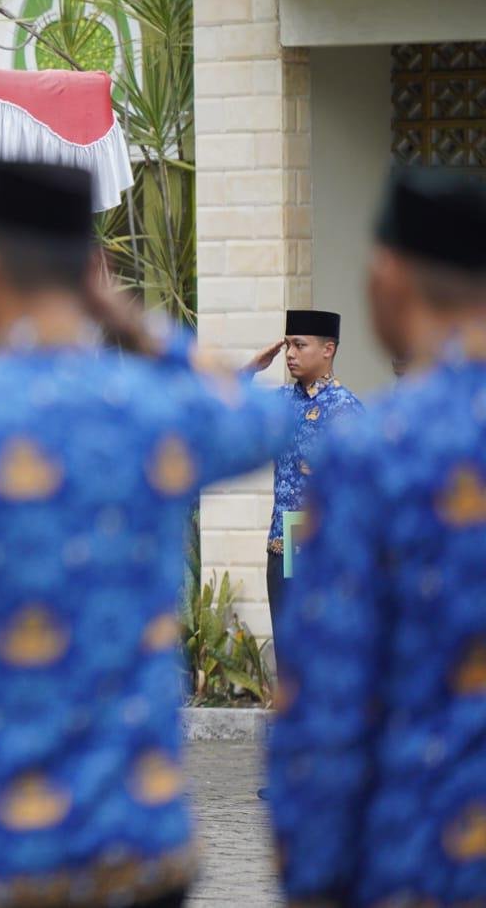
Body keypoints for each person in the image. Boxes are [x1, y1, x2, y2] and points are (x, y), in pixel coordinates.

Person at [0, 160, 291, 908]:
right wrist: (134, 321)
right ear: (92, 273)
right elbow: (264, 419)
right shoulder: (149, 415)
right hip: (135, 847)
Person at [268, 168, 486, 907]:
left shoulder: (372, 450)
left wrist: (311, 875)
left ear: (390, 276)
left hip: (417, 854)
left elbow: (328, 698)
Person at [243, 309, 363, 645]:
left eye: (300, 345)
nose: (290, 355)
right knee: (288, 652)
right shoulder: (280, 402)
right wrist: (251, 369)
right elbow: (227, 409)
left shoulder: (346, 408)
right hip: (282, 547)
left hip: (325, 550)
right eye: (288, 346)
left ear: (328, 349)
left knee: (326, 650)